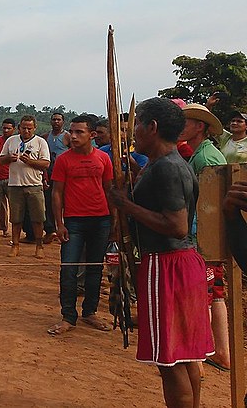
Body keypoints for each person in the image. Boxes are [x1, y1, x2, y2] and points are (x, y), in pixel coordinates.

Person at [109, 97, 213, 408]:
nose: (134, 130)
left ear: (152, 127)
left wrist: (126, 205)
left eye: (138, 123)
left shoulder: (167, 167)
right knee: (185, 356)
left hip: (167, 266)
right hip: (179, 264)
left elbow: (177, 225)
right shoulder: (162, 164)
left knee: (171, 361)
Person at [47, 116, 114, 335]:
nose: (73, 136)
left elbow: (109, 190)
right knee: (68, 269)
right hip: (73, 222)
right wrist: (59, 223)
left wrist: (114, 221)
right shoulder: (64, 160)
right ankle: (68, 316)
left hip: (101, 219)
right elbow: (56, 193)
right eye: (72, 132)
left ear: (92, 135)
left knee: (95, 268)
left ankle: (90, 311)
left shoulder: (103, 159)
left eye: (79, 132)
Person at [178, 103, 230, 372]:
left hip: (203, 239)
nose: (181, 127)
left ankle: (201, 354)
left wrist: (196, 239)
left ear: (199, 126)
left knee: (203, 296)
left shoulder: (205, 159)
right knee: (216, 294)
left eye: (187, 123)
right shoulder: (203, 153)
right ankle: (221, 352)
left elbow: (207, 206)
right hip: (209, 238)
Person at [0, 115, 51, 258]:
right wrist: (9, 158)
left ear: (35, 128)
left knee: (38, 218)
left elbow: (46, 163)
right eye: (23, 128)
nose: (26, 131)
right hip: (15, 184)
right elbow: (1, 159)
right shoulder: (11, 140)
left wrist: (30, 162)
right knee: (16, 218)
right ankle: (15, 245)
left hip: (34, 185)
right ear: (19, 128)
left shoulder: (40, 142)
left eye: (29, 128)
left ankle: (39, 246)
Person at [41, 112, 70, 244]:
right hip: (50, 173)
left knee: (66, 202)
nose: (56, 122)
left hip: (66, 175)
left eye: (59, 120)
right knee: (50, 202)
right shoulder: (46, 137)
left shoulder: (67, 136)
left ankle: (65, 230)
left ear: (63, 122)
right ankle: (50, 230)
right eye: (54, 119)